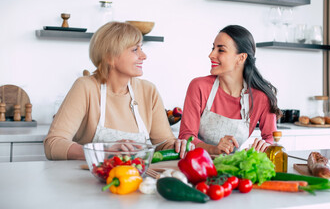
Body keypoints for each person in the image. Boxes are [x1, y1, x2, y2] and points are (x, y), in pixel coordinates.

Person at [44, 22, 193, 160]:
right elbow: (53, 144)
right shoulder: (86, 87)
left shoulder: (148, 91)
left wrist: (177, 146)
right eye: (135, 50)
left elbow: (163, 143)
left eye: (142, 48)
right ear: (110, 57)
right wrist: (102, 152)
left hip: (133, 178)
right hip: (91, 178)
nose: (144, 56)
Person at [179, 25, 281, 155]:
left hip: (234, 167)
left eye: (220, 50)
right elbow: (185, 137)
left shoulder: (261, 97)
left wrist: (266, 145)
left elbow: (271, 138)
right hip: (197, 164)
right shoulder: (199, 86)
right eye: (213, 48)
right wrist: (213, 149)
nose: (211, 55)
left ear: (241, 58)